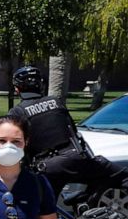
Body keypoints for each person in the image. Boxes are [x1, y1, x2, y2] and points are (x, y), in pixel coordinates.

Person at [8, 65, 128, 198]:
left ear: (18, 89)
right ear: (41, 84)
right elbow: (73, 131)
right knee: (122, 177)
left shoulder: (17, 112)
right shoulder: (56, 101)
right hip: (77, 158)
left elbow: (16, 147)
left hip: (48, 167)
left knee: (42, 210)